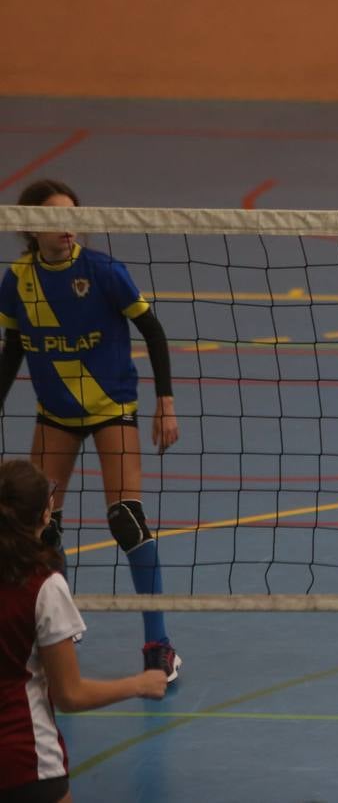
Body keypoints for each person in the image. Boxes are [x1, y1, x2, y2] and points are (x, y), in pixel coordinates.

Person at [0, 179, 182, 682]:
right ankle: (53, 630)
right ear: (30, 228)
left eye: (72, 217)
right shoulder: (17, 280)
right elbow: (13, 348)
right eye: (55, 219)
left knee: (126, 518)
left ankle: (159, 644)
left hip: (110, 409)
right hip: (54, 413)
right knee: (41, 526)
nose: (67, 227)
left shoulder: (102, 271)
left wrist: (164, 404)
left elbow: (154, 330)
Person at [0, 458, 168, 803]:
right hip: (26, 761)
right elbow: (69, 694)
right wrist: (140, 684)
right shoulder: (44, 587)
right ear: (45, 514)